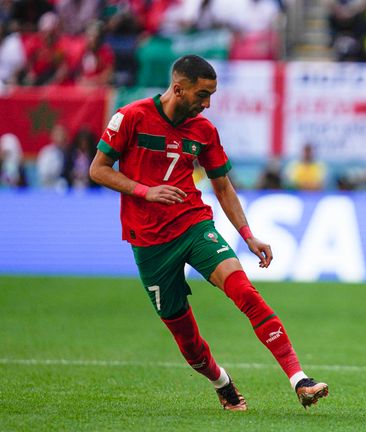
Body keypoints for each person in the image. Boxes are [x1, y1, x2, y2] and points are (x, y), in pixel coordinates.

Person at [89, 55, 328, 411]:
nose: (207, 104)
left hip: (194, 226)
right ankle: (223, 383)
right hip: (149, 241)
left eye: (211, 95)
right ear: (178, 88)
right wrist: (145, 190)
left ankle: (300, 379)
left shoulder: (204, 131)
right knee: (186, 339)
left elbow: (224, 188)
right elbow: (98, 169)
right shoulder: (132, 117)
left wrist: (249, 236)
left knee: (245, 291)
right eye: (202, 95)